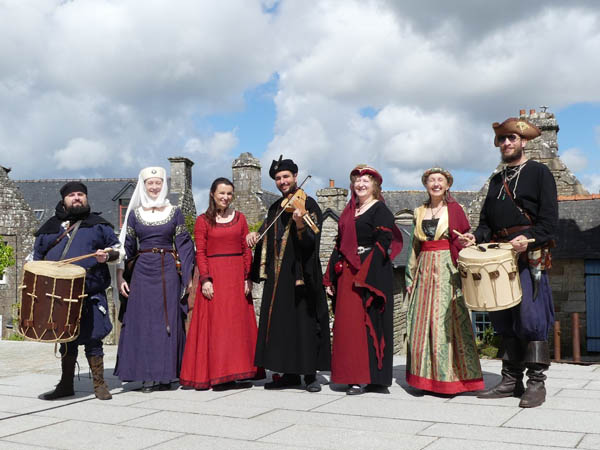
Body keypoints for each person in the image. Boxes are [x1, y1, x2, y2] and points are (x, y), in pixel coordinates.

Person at [459, 117, 558, 408]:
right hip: (499, 257)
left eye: (511, 139)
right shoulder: (495, 180)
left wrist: (529, 239)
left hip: (530, 256)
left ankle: (536, 383)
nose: (506, 144)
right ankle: (510, 380)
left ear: (523, 141)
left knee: (530, 319)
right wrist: (473, 237)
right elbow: (486, 225)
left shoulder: (539, 173)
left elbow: (550, 223)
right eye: (502, 140)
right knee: (503, 319)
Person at [246, 157, 331, 392]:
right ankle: (290, 374)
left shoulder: (309, 204)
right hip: (279, 274)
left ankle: (310, 375)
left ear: (295, 177)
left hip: (302, 272)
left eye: (286, 177)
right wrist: (254, 235)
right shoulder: (275, 207)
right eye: (278, 178)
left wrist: (301, 224)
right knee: (283, 324)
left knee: (304, 324)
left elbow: (313, 241)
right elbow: (266, 232)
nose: (282, 181)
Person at [35, 181, 120, 401]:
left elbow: (117, 249)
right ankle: (65, 385)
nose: (76, 198)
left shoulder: (98, 225)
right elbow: (36, 259)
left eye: (80, 194)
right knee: (66, 339)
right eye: (72, 195)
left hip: (90, 292)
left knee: (93, 339)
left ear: (86, 198)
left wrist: (107, 255)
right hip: (60, 294)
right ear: (64, 199)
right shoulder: (50, 227)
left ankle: (100, 384)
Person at [324, 165, 403, 395]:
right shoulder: (349, 211)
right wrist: (329, 278)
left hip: (371, 275)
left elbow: (384, 243)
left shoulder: (380, 211)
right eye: (357, 181)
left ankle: (366, 377)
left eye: (366, 181)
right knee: (347, 327)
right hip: (348, 275)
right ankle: (349, 375)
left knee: (366, 326)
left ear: (375, 186)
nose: (361, 184)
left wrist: (365, 272)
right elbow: (339, 245)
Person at [114, 167, 195, 393]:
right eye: (150, 183)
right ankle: (146, 375)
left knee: (167, 322)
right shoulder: (134, 214)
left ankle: (167, 374)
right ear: (143, 185)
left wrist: (187, 276)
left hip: (168, 270)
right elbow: (126, 248)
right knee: (144, 322)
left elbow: (185, 245)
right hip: (141, 272)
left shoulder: (174, 212)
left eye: (158, 182)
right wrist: (121, 276)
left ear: (163, 184)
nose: (154, 187)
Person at [405, 168, 484, 395]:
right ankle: (423, 379)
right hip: (424, 268)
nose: (436, 184)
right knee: (421, 321)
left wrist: (468, 243)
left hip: (448, 268)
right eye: (432, 180)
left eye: (440, 180)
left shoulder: (455, 209)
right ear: (426, 185)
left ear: (447, 185)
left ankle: (449, 379)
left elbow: (464, 238)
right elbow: (413, 247)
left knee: (444, 322)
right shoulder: (419, 211)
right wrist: (410, 276)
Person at [180, 177, 261, 390]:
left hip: (236, 278)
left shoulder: (241, 219)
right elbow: (201, 253)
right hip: (215, 277)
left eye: (229, 194)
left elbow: (246, 250)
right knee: (218, 327)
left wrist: (247, 277)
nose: (225, 197)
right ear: (212, 194)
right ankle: (218, 373)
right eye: (222, 193)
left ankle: (238, 371)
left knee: (236, 326)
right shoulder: (202, 221)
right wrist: (205, 279)